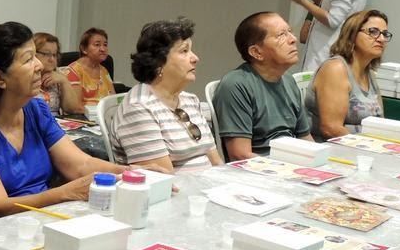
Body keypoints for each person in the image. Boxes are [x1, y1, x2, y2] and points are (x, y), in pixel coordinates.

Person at [0, 22, 164, 250]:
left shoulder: (35, 109)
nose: (39, 66)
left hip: (36, 224)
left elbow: (80, 165)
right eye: (27, 60)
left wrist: (128, 172)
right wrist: (66, 193)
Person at [112, 18, 221, 173]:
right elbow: (164, 179)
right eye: (184, 51)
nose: (195, 58)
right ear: (158, 63)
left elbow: (216, 162)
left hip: (208, 191)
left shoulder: (190, 100)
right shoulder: (139, 108)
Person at [213, 12, 312, 161]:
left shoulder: (289, 80)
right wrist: (285, 170)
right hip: (259, 172)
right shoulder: (236, 85)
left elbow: (305, 138)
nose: (293, 39)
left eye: (289, 32)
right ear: (256, 52)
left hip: (293, 163)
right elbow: (240, 155)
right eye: (281, 35)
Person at [305, 9, 389, 141]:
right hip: (332, 150)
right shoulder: (335, 69)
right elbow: (331, 129)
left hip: (364, 149)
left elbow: (380, 122)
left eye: (385, 34)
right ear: (353, 34)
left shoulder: (370, 74)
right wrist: (370, 146)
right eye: (373, 32)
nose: (382, 39)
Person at [33, 32, 83, 115]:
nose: (52, 59)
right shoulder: (26, 76)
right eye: (47, 54)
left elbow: (73, 109)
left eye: (54, 54)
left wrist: (64, 82)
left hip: (55, 124)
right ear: (34, 54)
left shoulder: (58, 74)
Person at [64, 27, 115, 107]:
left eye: (105, 45)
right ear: (84, 49)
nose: (103, 49)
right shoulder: (73, 71)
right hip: (83, 117)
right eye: (97, 45)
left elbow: (113, 100)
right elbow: (75, 107)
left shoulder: (104, 71)